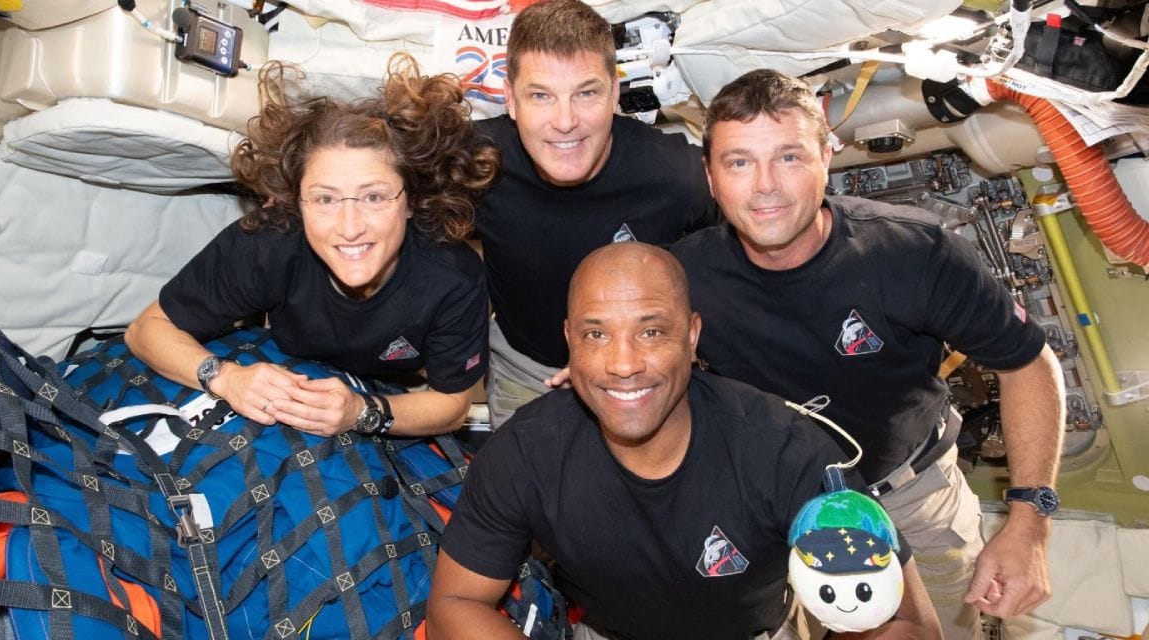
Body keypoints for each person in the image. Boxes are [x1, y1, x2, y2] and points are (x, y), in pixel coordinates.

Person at [670, 68, 1065, 639]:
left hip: (912, 494)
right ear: (711, 178)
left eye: (788, 157)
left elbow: (1027, 363)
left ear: (826, 156)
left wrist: (1029, 522)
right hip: (775, 504)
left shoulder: (915, 253)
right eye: (738, 163)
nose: (765, 186)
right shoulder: (682, 276)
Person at [428, 242, 940, 640]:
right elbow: (456, 602)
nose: (623, 364)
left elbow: (907, 623)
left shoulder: (785, 451)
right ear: (570, 341)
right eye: (596, 335)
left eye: (651, 332)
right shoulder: (525, 452)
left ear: (692, 337)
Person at [125, 54, 499, 437]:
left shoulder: (453, 277)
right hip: (282, 370)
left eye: (373, 197)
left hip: (391, 393)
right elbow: (146, 329)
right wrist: (225, 378)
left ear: (411, 202)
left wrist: (362, 412)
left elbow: (452, 405)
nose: (349, 228)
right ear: (297, 204)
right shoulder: (269, 241)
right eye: (324, 199)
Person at [474, 0, 718, 428]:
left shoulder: (675, 175)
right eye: (540, 96)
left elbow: (741, 255)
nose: (565, 121)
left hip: (639, 371)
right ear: (510, 100)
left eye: (586, 93)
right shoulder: (474, 163)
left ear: (614, 95)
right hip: (527, 371)